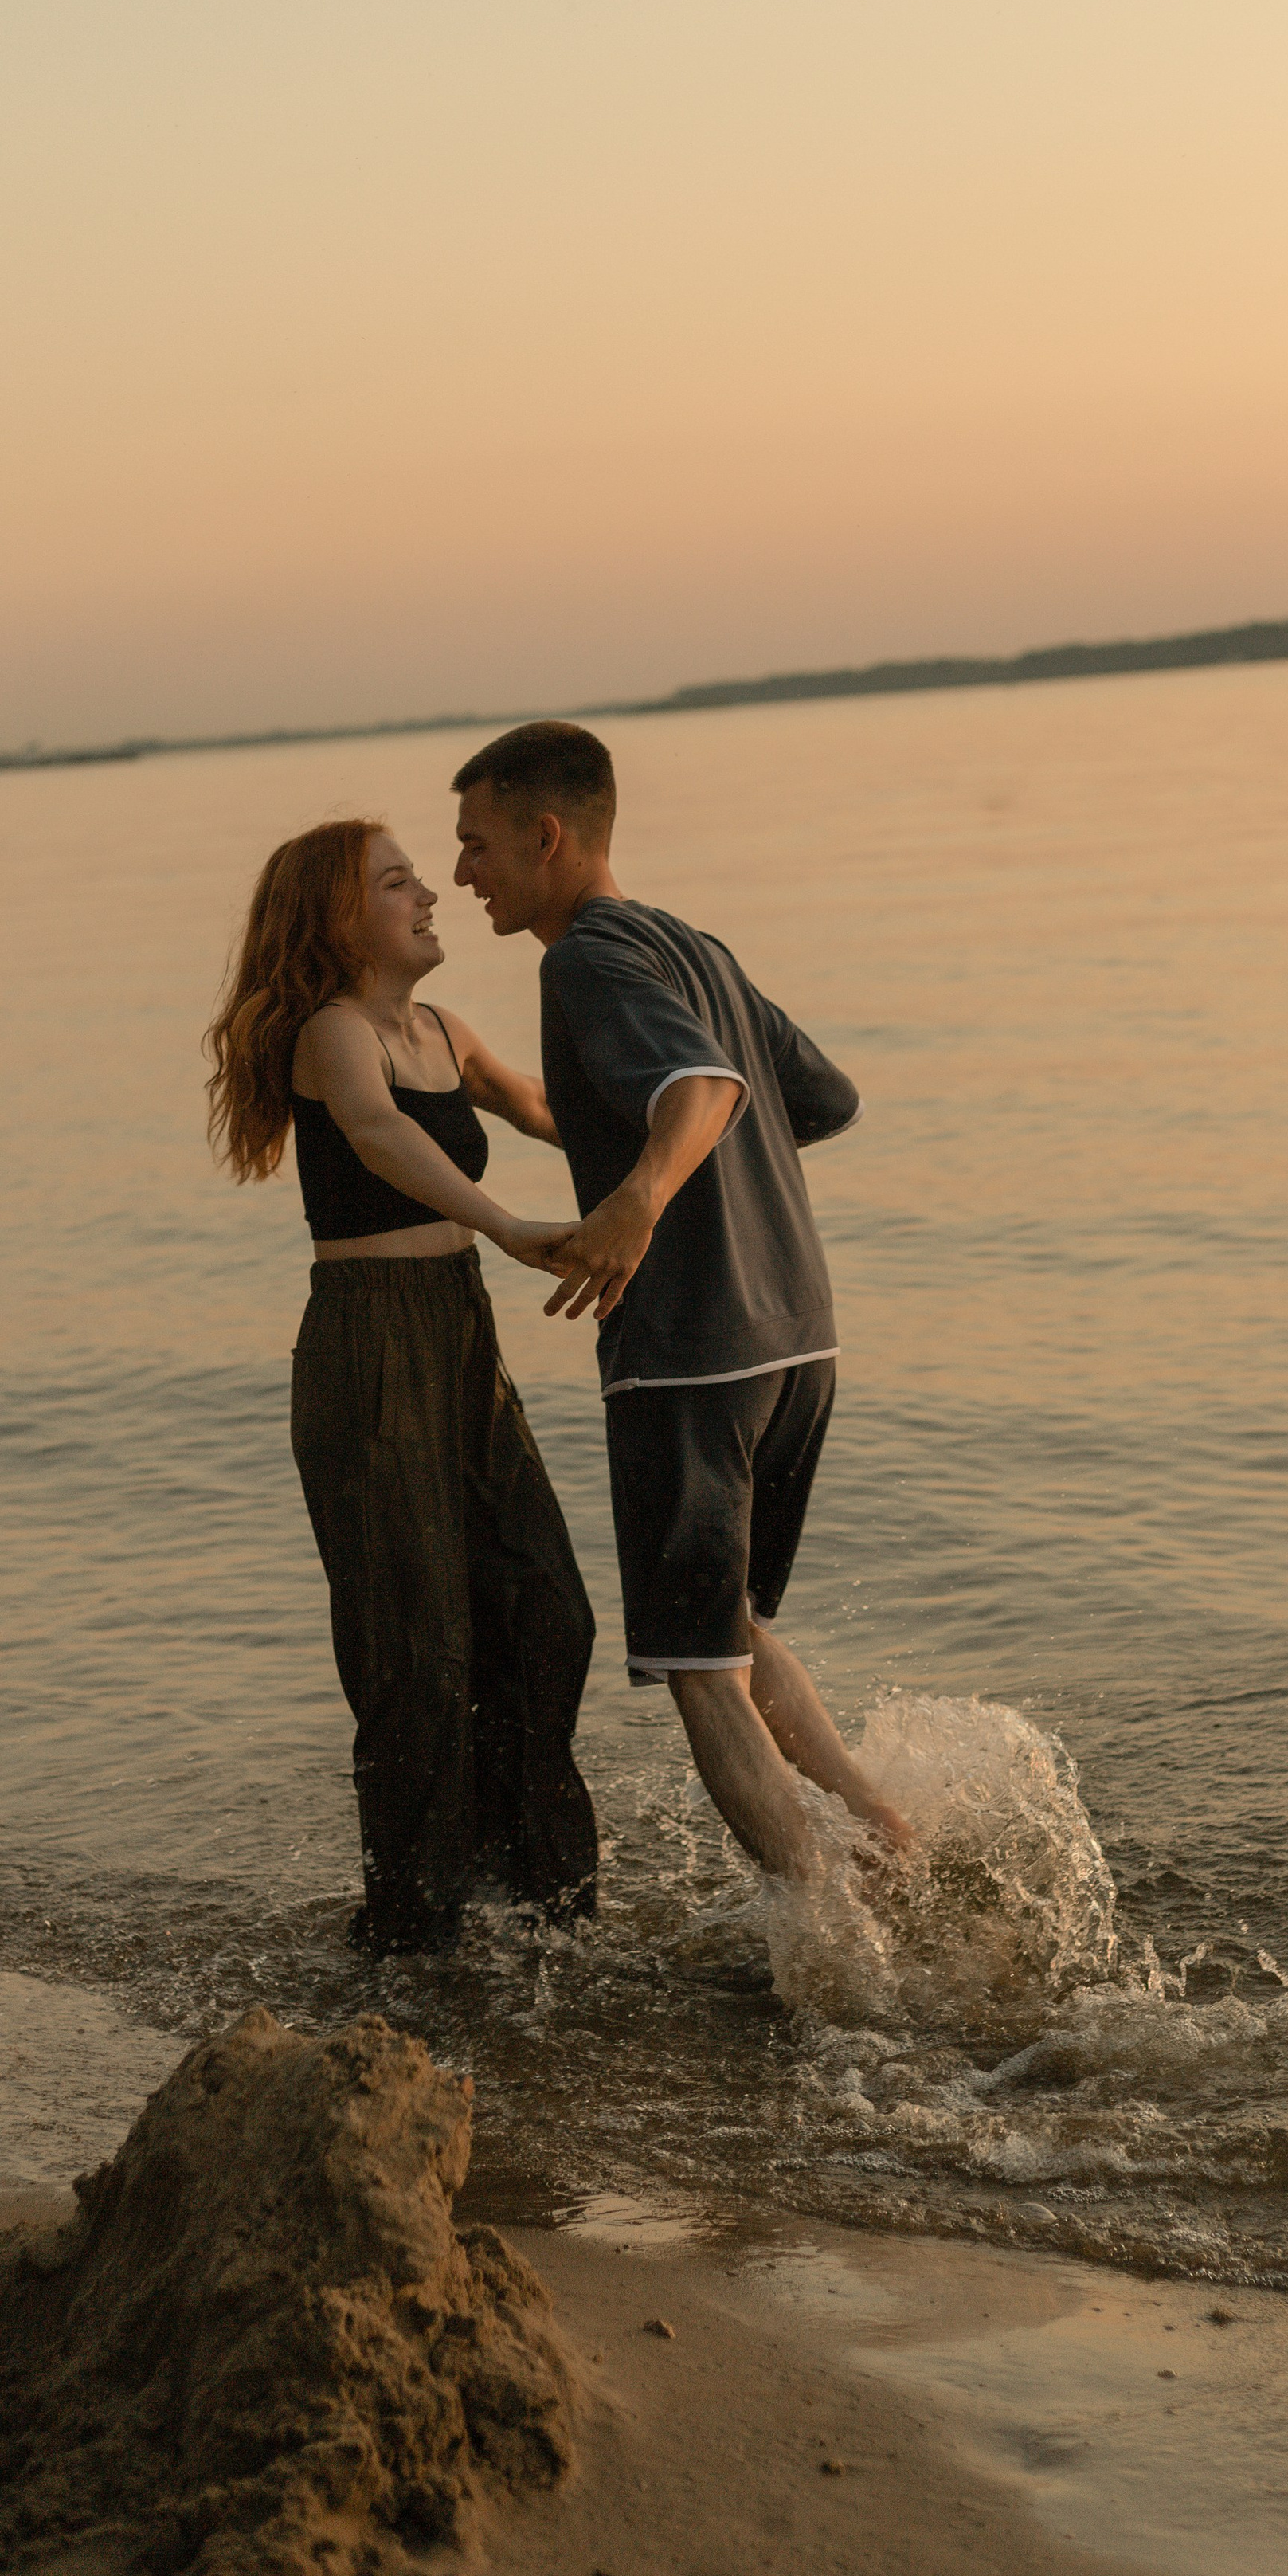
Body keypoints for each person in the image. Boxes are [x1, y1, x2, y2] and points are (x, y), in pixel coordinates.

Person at [449, 723, 914, 1883]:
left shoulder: (583, 960)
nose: (463, 875)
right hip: (799, 1341)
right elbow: (815, 1096)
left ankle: (826, 1941)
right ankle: (892, 1842)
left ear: (546, 835)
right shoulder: (689, 944)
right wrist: (552, 1116)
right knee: (734, 1635)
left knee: (699, 1669)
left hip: (690, 1356)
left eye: (477, 846)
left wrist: (643, 1202)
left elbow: (704, 1087)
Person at [205, 816, 600, 1953]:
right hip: (368, 1349)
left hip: (460, 1332)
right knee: (415, 1655)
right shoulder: (335, 1035)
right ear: (338, 919)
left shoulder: (440, 1029)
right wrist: (511, 1225)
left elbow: (552, 1115)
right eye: (398, 882)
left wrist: (699, 1124)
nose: (432, 891)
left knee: (544, 1614)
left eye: (421, 876)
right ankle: (410, 1940)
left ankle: (538, 1906)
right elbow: (378, 1140)